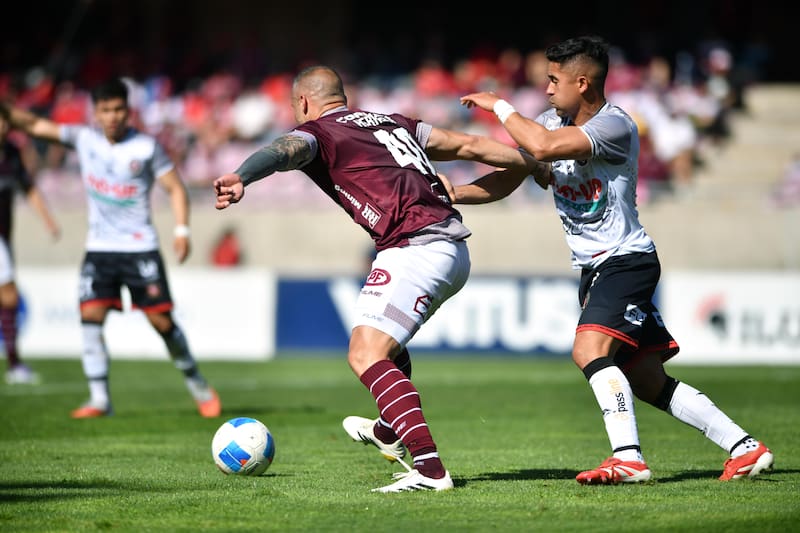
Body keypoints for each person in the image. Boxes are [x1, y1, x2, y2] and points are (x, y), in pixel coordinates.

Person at [448, 35, 773, 484]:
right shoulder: (549, 121)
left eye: (552, 80)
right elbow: (516, 172)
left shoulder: (615, 126)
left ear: (581, 83)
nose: (545, 89)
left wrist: (500, 106)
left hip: (625, 261)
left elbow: (541, 147)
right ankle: (745, 448)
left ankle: (628, 458)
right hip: (598, 268)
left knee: (589, 350)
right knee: (645, 379)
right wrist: (456, 194)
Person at [213, 65, 539, 492]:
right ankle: (389, 431)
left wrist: (242, 176)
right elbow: (468, 144)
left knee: (365, 354)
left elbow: (283, 149)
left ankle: (430, 470)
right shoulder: (393, 123)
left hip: (415, 246)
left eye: (296, 107)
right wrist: (534, 163)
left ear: (305, 103)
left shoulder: (319, 133)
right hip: (449, 246)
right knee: (383, 343)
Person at [1, 78, 221, 418]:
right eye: (105, 110)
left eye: (118, 109)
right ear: (96, 113)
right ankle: (99, 399)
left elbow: (176, 188)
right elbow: (30, 123)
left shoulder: (146, 147)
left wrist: (181, 230)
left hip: (140, 248)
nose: (112, 116)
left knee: (162, 322)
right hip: (99, 248)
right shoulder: (83, 139)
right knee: (90, 316)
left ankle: (197, 383)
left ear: (128, 111)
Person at [0, 106, 61, 385]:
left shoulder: (11, 152)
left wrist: (48, 221)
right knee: (9, 293)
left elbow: (29, 188)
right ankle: (14, 363)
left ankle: (14, 363)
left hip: (5, 234)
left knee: (8, 294)